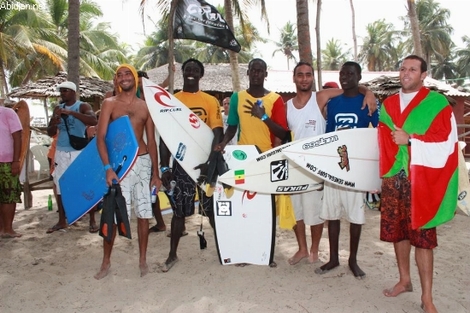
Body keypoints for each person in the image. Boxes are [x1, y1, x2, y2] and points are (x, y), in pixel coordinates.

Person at [379, 55, 458, 313]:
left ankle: (427, 297)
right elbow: (380, 143)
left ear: (424, 75)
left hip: (421, 180)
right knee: (398, 233)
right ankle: (404, 280)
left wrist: (411, 140)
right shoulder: (388, 104)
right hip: (394, 178)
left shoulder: (437, 104)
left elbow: (445, 142)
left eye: (412, 69)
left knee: (424, 238)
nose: (406, 73)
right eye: (402, 68)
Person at [287, 61, 378, 265]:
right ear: (294, 78)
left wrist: (369, 92)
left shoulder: (324, 97)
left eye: (308, 74)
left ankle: (333, 255)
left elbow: (352, 88)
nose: (304, 78)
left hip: (339, 166)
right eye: (300, 74)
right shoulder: (292, 106)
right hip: (311, 164)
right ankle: (316, 253)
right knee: (312, 212)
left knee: (337, 214)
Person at [215, 58, 289, 268]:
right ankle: (245, 250)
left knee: (266, 208)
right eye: (253, 70)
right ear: (248, 73)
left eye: (261, 70)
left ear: (266, 74)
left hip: (267, 159)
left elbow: (282, 132)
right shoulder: (237, 97)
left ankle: (266, 253)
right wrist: (222, 144)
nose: (256, 73)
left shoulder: (276, 99)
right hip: (243, 159)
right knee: (244, 205)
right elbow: (231, 127)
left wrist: (263, 117)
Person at [94, 64, 161, 279]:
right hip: (119, 166)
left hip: (142, 163)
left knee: (143, 214)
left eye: (127, 74)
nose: (124, 77)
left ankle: (142, 260)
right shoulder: (109, 104)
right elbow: (101, 137)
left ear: (135, 78)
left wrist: (156, 174)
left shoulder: (145, 106)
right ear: (116, 81)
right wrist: (107, 168)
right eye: (119, 75)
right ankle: (106, 262)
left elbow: (151, 142)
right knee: (112, 216)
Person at [315, 61, 379, 278]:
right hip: (334, 167)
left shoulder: (367, 103)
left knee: (355, 216)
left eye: (350, 74)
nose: (345, 77)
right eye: (342, 73)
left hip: (355, 169)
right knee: (332, 215)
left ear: (359, 77)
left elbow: (378, 132)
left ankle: (352, 260)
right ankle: (333, 258)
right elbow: (328, 135)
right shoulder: (333, 103)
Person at [159, 58, 223, 272]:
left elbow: (217, 133)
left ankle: (223, 250)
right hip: (181, 163)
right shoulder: (173, 100)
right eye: (188, 69)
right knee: (178, 212)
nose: (191, 73)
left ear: (201, 74)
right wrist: (164, 167)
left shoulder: (210, 100)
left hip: (206, 163)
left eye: (196, 70)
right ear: (183, 73)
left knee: (212, 210)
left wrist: (210, 162)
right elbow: (166, 138)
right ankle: (172, 254)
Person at [46, 81, 97, 234]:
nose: (63, 93)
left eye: (66, 91)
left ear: (73, 92)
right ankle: (62, 220)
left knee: (85, 184)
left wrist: (71, 114)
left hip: (78, 151)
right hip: (61, 151)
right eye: (61, 91)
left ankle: (92, 220)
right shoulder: (57, 108)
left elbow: (93, 120)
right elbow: (50, 132)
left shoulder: (82, 106)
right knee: (60, 185)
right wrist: (54, 123)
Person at [136, 69, 168, 233]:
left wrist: (170, 74)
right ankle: (160, 222)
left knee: (161, 187)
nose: (141, 84)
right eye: (138, 81)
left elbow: (164, 85)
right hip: (141, 150)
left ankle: (173, 222)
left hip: (155, 147)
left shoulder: (153, 97)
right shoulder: (132, 100)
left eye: (143, 81)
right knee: (150, 189)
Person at [0, 105, 23, 238]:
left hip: (7, 162)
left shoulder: (7, 113)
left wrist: (16, 161)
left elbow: (18, 137)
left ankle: (8, 229)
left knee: (8, 195)